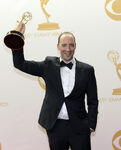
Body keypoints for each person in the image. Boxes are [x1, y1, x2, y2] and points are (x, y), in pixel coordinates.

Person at [11, 22, 98, 150]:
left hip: (80, 127)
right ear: (58, 46)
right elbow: (20, 64)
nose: (67, 49)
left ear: (75, 46)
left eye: (71, 45)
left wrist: (90, 125)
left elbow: (93, 100)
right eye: (64, 45)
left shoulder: (88, 70)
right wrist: (16, 37)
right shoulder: (48, 65)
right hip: (55, 126)